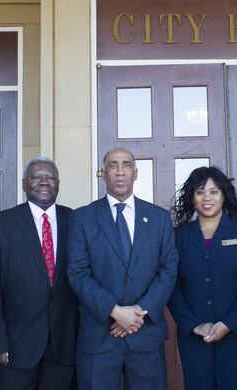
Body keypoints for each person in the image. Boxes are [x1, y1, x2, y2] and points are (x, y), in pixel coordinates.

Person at [67, 147, 178, 390]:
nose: (119, 171)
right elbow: (78, 273)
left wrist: (138, 312)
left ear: (135, 173)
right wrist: (115, 311)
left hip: (145, 334)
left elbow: (168, 268)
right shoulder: (82, 218)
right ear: (103, 173)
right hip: (98, 337)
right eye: (112, 165)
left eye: (126, 165)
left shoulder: (159, 218)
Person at [0, 157, 78, 389]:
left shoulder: (76, 220)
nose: (44, 182)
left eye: (50, 177)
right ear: (24, 183)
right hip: (14, 347)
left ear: (58, 183)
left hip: (63, 347)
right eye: (36, 177)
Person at [168, 166, 237, 389]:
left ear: (224, 195)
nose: (207, 198)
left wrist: (229, 323)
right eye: (200, 192)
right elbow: (171, 285)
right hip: (195, 336)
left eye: (214, 191)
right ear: (192, 198)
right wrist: (193, 325)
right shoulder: (179, 236)